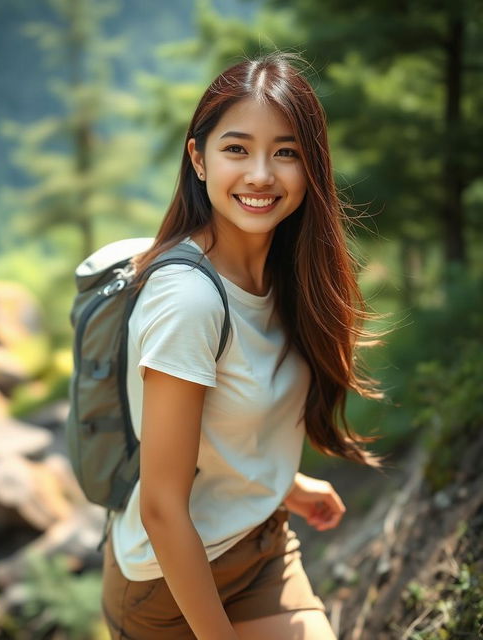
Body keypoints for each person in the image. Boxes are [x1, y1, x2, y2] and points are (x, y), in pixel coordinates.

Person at [101, 51, 384, 640]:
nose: (261, 174)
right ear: (198, 159)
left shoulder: (286, 272)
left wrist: (287, 484)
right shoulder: (190, 301)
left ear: (313, 169)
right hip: (169, 582)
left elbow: (226, 422)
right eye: (237, 149)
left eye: (286, 152)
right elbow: (161, 506)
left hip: (260, 543)